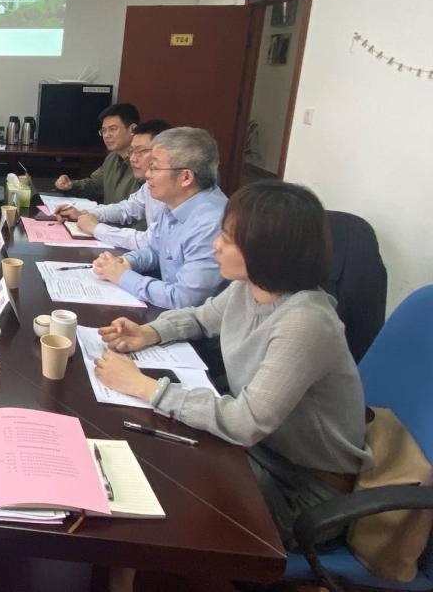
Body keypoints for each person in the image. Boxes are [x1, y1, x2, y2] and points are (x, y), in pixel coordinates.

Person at [94, 181, 372, 551]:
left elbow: (245, 422)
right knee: (148, 451)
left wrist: (144, 386)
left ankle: (130, 565)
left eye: (227, 238)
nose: (216, 245)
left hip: (301, 489)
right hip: (258, 452)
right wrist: (147, 332)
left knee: (159, 483)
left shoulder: (304, 322)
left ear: (266, 251)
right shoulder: (250, 288)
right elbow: (200, 317)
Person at [93, 127, 227, 309]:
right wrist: (127, 261)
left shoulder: (211, 223)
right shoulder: (176, 201)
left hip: (195, 322)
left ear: (186, 177)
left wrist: (122, 276)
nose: (147, 174)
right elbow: (156, 250)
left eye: (154, 167)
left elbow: (183, 299)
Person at [54, 119, 171, 249]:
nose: (133, 158)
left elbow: (151, 242)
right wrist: (84, 214)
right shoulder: (147, 186)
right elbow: (127, 209)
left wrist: (96, 228)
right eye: (132, 151)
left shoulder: (178, 193)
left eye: (141, 151)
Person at [53, 102, 140, 203]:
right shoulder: (111, 158)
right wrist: (70, 185)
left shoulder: (145, 162)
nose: (107, 135)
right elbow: (94, 185)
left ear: (133, 129)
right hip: (108, 213)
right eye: (104, 131)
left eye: (113, 129)